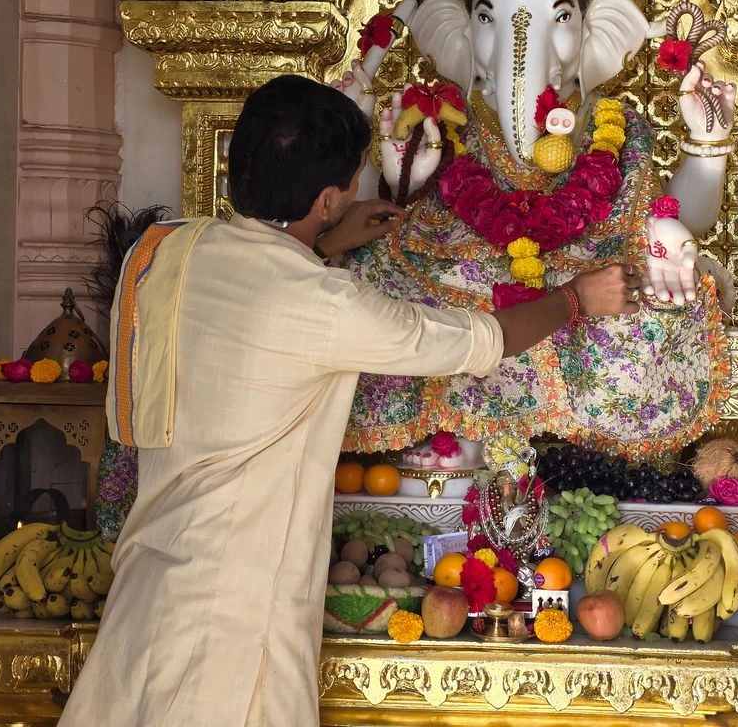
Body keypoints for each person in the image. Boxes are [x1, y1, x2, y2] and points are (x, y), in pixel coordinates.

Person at [58, 74, 640, 727]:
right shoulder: (323, 305)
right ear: (329, 197)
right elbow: (480, 340)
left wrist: (324, 241)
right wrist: (577, 299)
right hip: (230, 633)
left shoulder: (161, 250)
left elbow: (249, 279)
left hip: (145, 593)